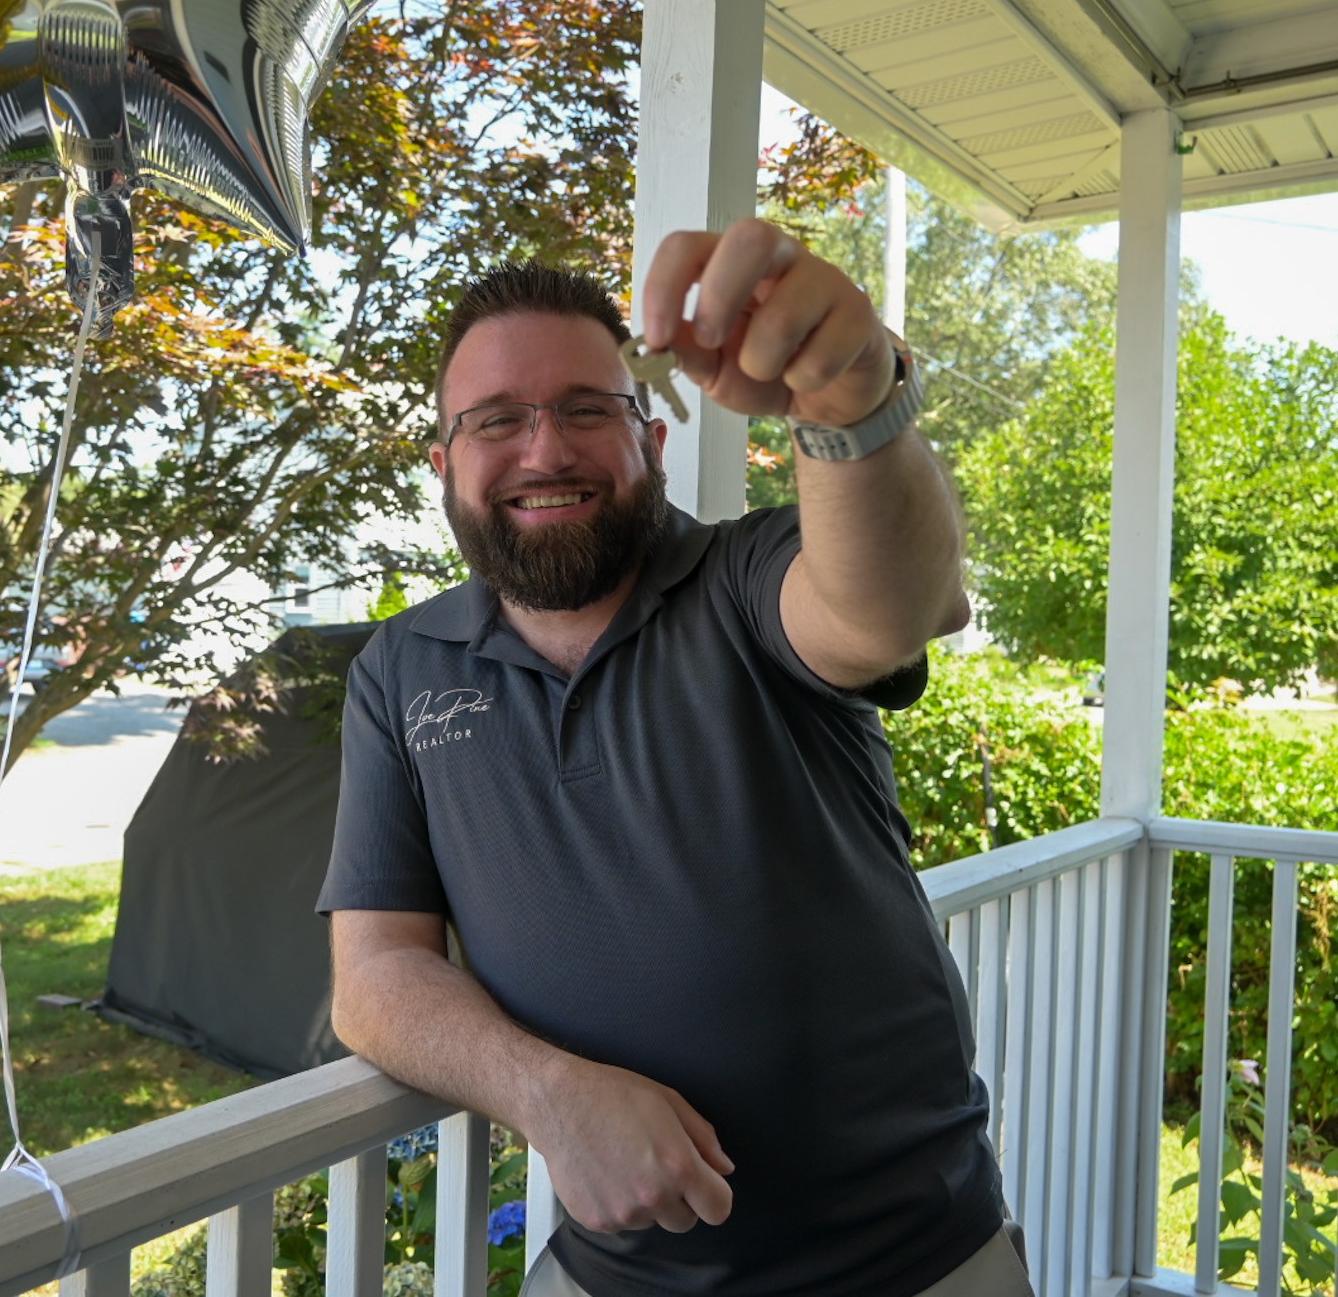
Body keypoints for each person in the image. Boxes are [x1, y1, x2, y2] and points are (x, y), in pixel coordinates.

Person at [318, 218, 1030, 1296]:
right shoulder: (401, 670)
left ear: (647, 436)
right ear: (444, 462)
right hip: (609, 1273)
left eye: (585, 410)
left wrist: (853, 410)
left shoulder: (745, 581)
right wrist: (548, 1095)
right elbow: (372, 977)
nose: (544, 449)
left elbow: (881, 609)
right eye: (497, 420)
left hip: (909, 1265)